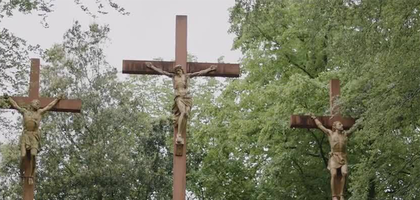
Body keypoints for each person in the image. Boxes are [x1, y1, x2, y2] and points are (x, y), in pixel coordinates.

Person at [145, 63, 217, 144]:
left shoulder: (186, 76)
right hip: (178, 97)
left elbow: (199, 73)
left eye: (179, 70)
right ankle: (178, 134)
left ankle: (181, 133)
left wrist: (209, 69)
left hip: (187, 98)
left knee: (186, 115)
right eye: (176, 71)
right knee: (183, 112)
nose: (178, 72)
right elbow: (162, 72)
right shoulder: (173, 77)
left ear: (182, 70)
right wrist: (152, 67)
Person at [6, 94, 63, 185]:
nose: (38, 104)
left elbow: (49, 106)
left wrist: (57, 99)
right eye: (36, 103)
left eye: (38, 103)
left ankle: (31, 176)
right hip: (25, 136)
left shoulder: (39, 112)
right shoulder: (24, 111)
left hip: (34, 136)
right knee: (23, 155)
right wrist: (8, 98)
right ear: (31, 103)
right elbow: (15, 105)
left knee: (33, 155)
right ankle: (21, 174)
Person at [311, 114, 354, 200]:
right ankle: (334, 195)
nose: (342, 125)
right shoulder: (330, 133)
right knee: (333, 174)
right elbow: (320, 126)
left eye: (342, 124)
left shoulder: (345, 134)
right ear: (335, 126)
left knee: (344, 173)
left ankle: (341, 194)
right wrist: (315, 118)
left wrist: (362, 119)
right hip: (334, 156)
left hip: (343, 156)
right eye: (340, 124)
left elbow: (353, 128)